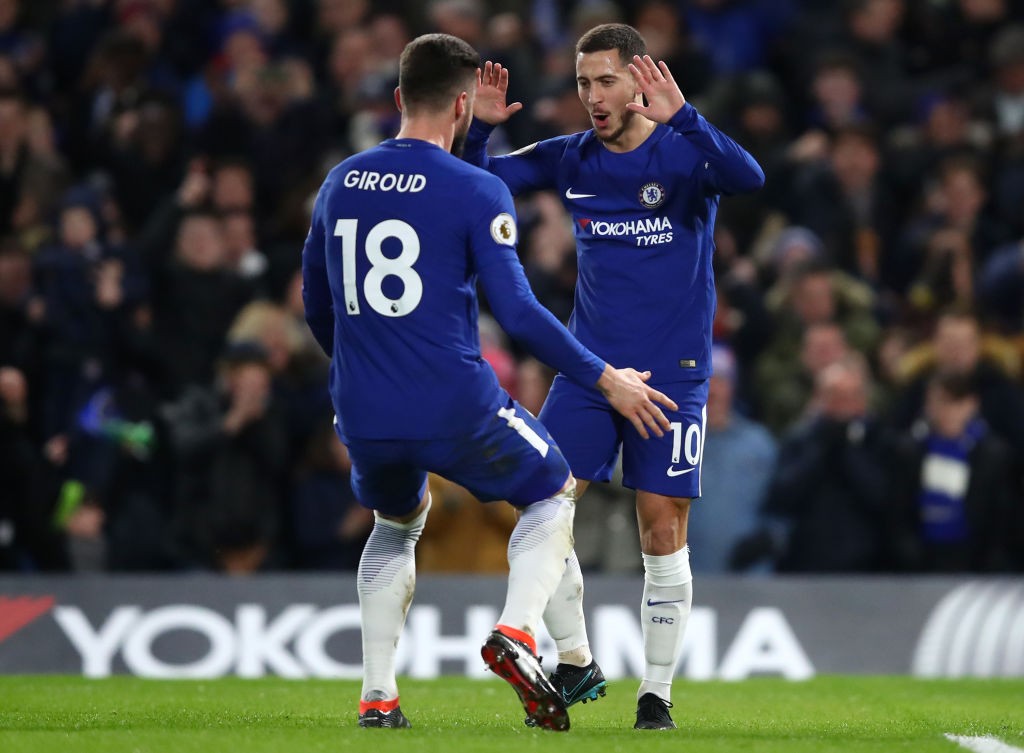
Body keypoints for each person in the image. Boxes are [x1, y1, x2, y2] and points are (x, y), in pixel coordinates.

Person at [300, 33, 676, 731]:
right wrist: (604, 378)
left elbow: (319, 308)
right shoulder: (477, 187)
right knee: (552, 488)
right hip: (454, 400)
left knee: (396, 521)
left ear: (398, 99)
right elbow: (520, 313)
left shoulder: (341, 180)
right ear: (465, 104)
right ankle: (518, 632)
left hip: (361, 405)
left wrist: (359, 377)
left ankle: (378, 696)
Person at [465, 23, 764, 729]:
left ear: (638, 81)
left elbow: (750, 178)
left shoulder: (685, 154)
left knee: (661, 530)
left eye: (605, 81)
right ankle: (576, 657)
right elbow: (483, 185)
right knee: (540, 499)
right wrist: (478, 133)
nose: (592, 97)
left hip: (675, 376)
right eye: (582, 83)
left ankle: (655, 693)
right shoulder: (571, 159)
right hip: (593, 372)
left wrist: (686, 116)